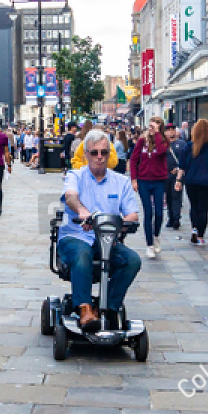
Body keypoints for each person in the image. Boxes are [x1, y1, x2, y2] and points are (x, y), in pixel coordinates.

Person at [57, 128, 141, 332]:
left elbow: (132, 214)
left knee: (132, 260)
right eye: (94, 152)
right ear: (86, 154)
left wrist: (120, 226)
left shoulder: (120, 182)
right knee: (82, 253)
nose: (100, 157)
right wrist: (83, 213)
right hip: (75, 237)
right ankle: (85, 309)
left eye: (104, 152)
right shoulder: (75, 176)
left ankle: (109, 307)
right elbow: (70, 197)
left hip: (106, 240)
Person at [128, 117, 169, 258]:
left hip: (159, 181)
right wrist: (134, 179)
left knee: (159, 213)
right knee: (148, 212)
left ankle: (156, 235)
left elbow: (161, 152)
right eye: (151, 125)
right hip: (143, 180)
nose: (151, 128)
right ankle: (149, 245)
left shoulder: (163, 140)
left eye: (155, 126)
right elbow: (133, 159)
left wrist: (157, 134)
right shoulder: (141, 140)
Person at [181, 118, 208, 245]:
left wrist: (178, 180)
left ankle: (194, 228)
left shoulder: (188, 146)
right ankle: (200, 236)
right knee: (203, 209)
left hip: (191, 180)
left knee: (194, 206)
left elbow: (182, 165)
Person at [164, 123, 188, 233]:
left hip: (177, 175)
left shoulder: (182, 144)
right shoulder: (163, 145)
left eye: (172, 129)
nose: (171, 132)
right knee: (168, 196)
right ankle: (171, 217)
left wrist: (179, 169)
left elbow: (185, 159)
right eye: (168, 130)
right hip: (166, 175)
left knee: (176, 196)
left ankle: (176, 219)